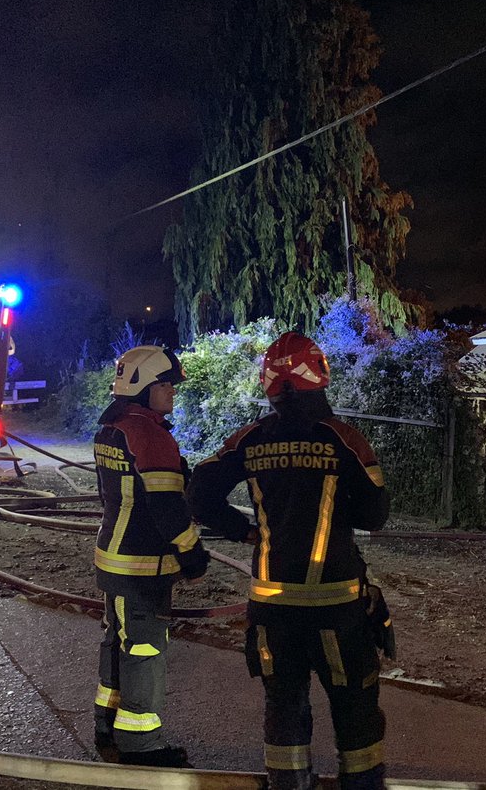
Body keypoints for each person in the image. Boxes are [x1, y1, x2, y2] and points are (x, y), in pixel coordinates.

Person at [189, 332, 390, 790]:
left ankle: (288, 783)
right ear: (318, 379)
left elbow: (200, 492)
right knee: (354, 706)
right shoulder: (344, 440)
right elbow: (374, 515)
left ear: (271, 386)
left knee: (284, 704)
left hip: (273, 607)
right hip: (338, 606)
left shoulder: (251, 439)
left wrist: (244, 530)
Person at [91, 345, 208, 768]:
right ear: (144, 387)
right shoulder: (149, 435)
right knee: (142, 650)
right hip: (141, 565)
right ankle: (141, 747)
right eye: (167, 384)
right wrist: (192, 553)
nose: (173, 392)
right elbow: (168, 509)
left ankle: (107, 724)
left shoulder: (113, 427)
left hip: (114, 558)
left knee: (116, 641)